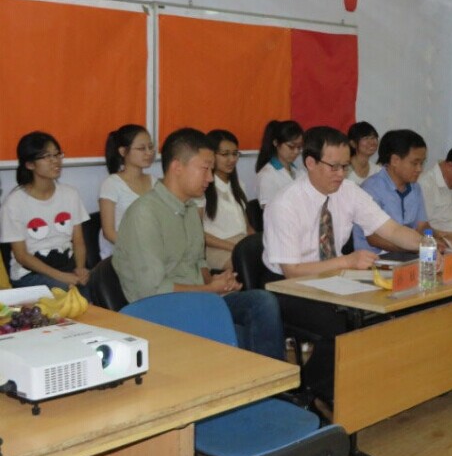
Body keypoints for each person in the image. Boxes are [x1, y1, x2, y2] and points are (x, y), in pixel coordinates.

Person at [263, 126, 424, 400]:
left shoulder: (348, 191)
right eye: (334, 167)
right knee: (345, 325)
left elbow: (392, 230)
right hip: (288, 287)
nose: (341, 174)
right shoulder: (285, 203)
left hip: (335, 278)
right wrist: (348, 260)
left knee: (385, 310)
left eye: (345, 167)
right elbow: (292, 271)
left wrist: (427, 246)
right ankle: (311, 391)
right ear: (310, 163)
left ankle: (356, 388)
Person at [113, 128, 285, 360]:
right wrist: (209, 290)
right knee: (236, 336)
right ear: (177, 167)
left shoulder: (189, 209)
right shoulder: (144, 214)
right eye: (205, 169)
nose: (210, 178)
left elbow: (199, 262)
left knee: (263, 302)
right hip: (161, 311)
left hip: (199, 300)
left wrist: (215, 282)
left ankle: (274, 377)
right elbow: (152, 290)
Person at [0, 131, 90, 296]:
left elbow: (78, 241)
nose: (55, 161)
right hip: (30, 274)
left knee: (94, 286)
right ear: (30, 164)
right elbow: (21, 256)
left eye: (57, 154)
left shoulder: (70, 194)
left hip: (67, 266)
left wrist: (81, 268)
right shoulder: (14, 202)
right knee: (65, 292)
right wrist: (62, 277)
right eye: (47, 156)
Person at [352, 129, 431, 253]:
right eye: (415, 163)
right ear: (395, 160)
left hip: (409, 253)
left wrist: (434, 242)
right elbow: (374, 238)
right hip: (376, 259)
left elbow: (422, 226)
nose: (419, 169)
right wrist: (415, 249)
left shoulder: (415, 188)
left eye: (422, 163)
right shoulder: (371, 189)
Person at [198, 130, 254, 271]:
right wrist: (235, 247)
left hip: (241, 243)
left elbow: (247, 227)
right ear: (211, 155)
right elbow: (198, 234)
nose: (232, 159)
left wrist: (259, 242)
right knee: (248, 267)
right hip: (216, 247)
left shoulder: (238, 184)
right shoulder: (202, 188)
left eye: (235, 154)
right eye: (225, 154)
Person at [99, 124, 157, 259]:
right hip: (122, 252)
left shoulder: (153, 181)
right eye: (141, 148)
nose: (149, 153)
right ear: (123, 151)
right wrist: (140, 249)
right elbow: (109, 233)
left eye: (150, 147)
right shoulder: (111, 184)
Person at [255, 119, 305, 208]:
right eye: (291, 147)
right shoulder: (266, 175)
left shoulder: (300, 173)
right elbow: (270, 211)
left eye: (299, 147)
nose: (296, 152)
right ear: (276, 143)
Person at [346, 121, 381, 185]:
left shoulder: (377, 170)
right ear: (353, 143)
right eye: (366, 138)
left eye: (373, 138)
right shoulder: (344, 170)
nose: (372, 142)